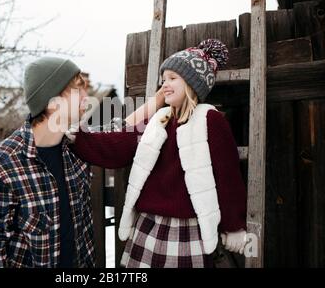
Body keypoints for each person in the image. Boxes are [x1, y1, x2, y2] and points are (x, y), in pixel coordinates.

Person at [0, 56, 162, 267]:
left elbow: (119, 130)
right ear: (51, 101)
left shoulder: (74, 148)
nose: (87, 97)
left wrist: (160, 97)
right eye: (79, 89)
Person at [70, 39, 247, 268]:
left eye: (173, 78)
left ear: (194, 83)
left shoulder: (210, 120)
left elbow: (228, 178)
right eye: (164, 80)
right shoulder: (159, 120)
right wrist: (81, 139)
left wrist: (233, 226)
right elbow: (122, 143)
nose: (165, 85)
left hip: (188, 228)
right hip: (148, 226)